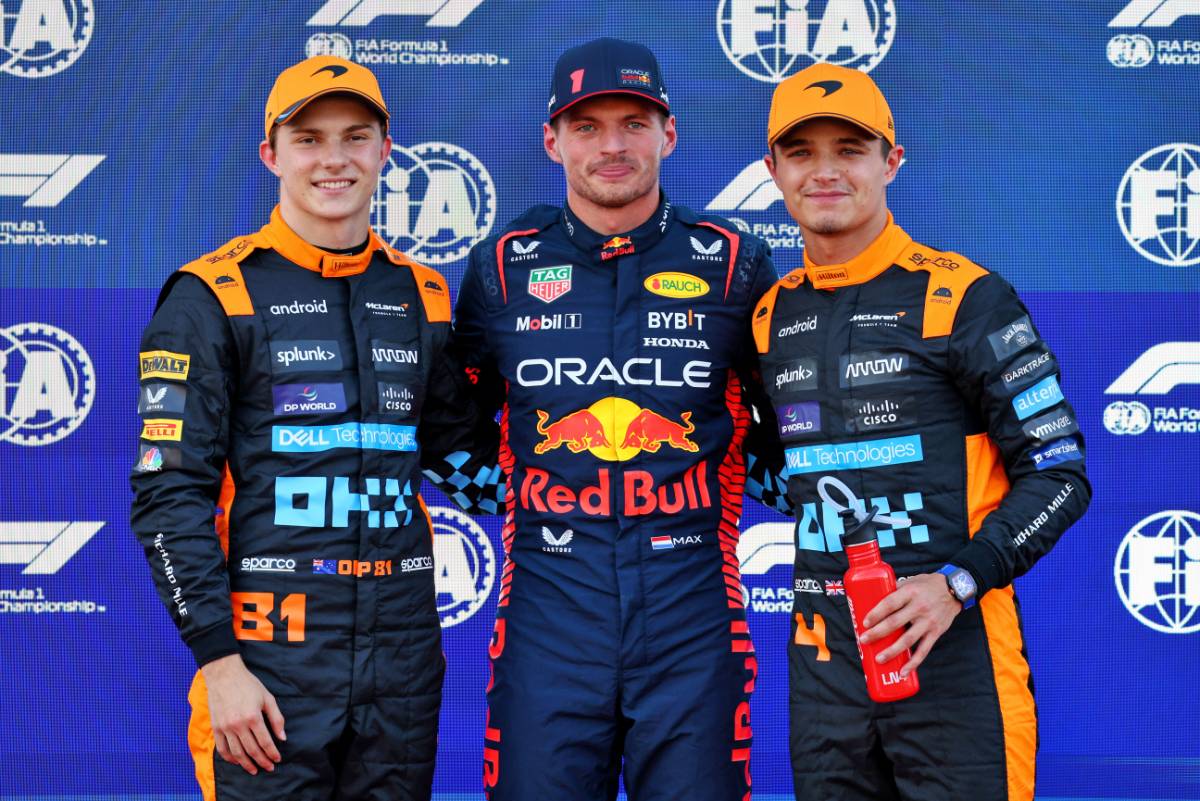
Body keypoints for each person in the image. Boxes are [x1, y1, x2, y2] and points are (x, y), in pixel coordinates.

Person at [129, 55, 497, 801]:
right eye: (309, 138)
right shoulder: (212, 294)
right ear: (272, 154)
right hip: (268, 667)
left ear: (385, 151)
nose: (334, 159)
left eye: (355, 136)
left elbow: (470, 464)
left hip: (402, 665)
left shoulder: (419, 293)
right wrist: (218, 662)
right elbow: (168, 497)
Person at [442, 36, 779, 801]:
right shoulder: (502, 265)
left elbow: (789, 423)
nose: (613, 145)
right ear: (552, 140)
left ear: (669, 133)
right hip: (548, 619)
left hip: (695, 619)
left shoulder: (733, 262)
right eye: (588, 126)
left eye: (634, 121)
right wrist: (542, 496)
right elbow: (451, 422)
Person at [751, 63, 1092, 800]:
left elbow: (1061, 474)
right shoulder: (769, 315)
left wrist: (955, 582)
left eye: (850, 147)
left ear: (891, 161)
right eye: (802, 152)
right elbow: (776, 467)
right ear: (773, 169)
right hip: (825, 675)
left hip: (958, 665)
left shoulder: (965, 297)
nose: (826, 170)